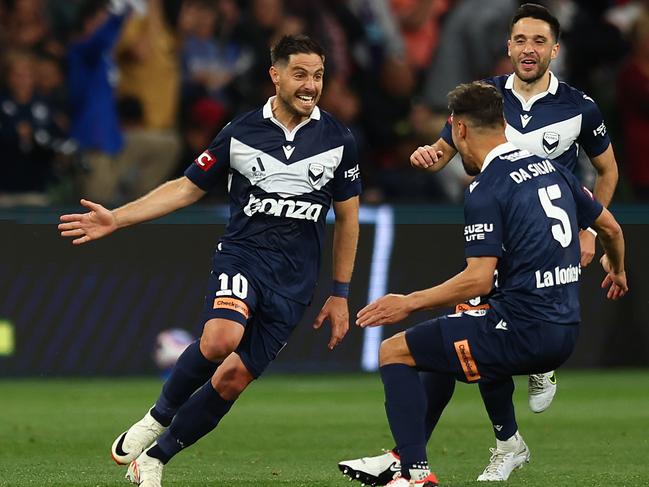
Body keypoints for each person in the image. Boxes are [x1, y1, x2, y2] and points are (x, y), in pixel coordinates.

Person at [58, 34, 361, 486]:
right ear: (275, 75)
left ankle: (155, 458)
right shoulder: (240, 132)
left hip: (296, 281)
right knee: (221, 339)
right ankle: (156, 418)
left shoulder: (338, 139)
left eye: (318, 76)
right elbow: (186, 187)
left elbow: (349, 219)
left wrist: (339, 294)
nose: (310, 85)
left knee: (232, 380)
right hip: (243, 258)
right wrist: (117, 219)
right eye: (300, 74)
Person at [339, 6, 621, 484]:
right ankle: (471, 447)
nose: (528, 48)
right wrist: (433, 152)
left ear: (554, 50)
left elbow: (607, 171)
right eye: (519, 39)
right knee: (463, 331)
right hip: (499, 247)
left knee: (462, 333)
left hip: (536, 252)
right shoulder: (486, 98)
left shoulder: (580, 106)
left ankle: (418, 461)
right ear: (508, 46)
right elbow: (452, 145)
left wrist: (587, 232)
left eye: (538, 40)